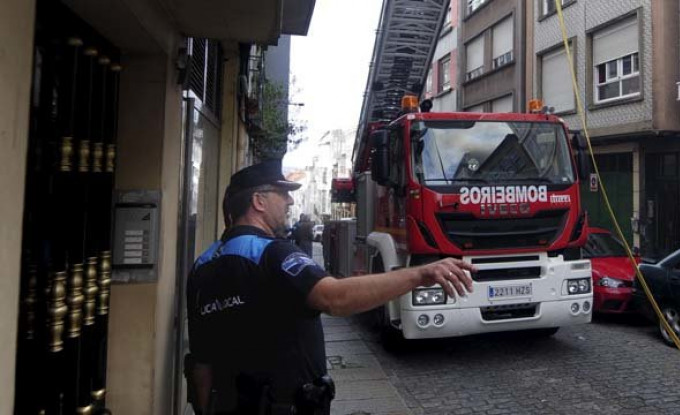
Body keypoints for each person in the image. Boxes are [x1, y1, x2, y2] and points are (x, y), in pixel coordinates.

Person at [185, 160, 475, 415]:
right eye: (282, 193)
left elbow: (201, 365)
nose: (289, 202)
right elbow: (335, 298)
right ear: (259, 201)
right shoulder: (273, 253)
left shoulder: (201, 266)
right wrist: (420, 274)